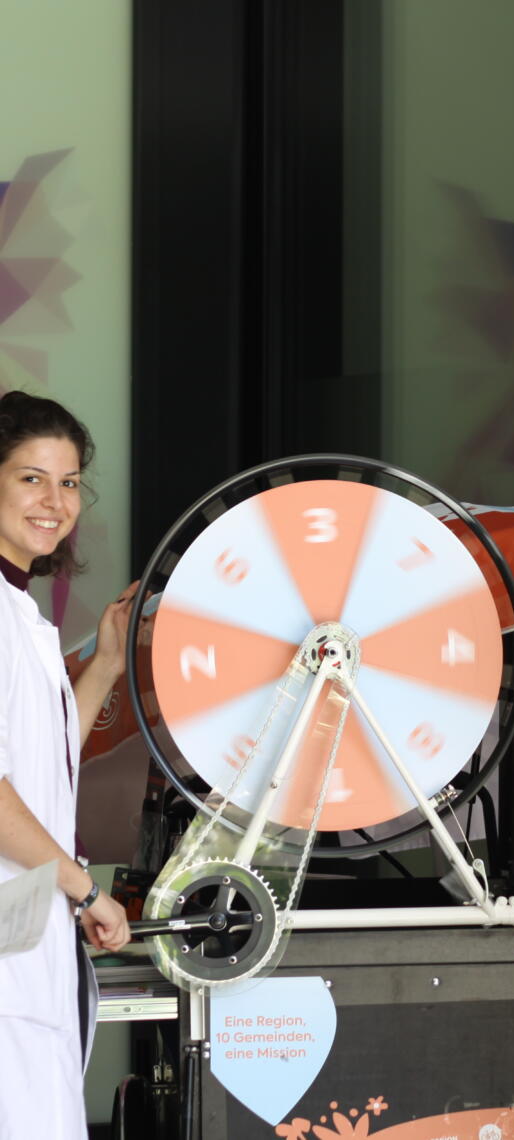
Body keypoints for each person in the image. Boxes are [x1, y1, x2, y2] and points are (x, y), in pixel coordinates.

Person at [0, 390, 134, 1138]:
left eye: (70, 481)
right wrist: (86, 893)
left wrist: (107, 667)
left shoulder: (24, 611)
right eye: (31, 478)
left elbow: (39, 755)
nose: (55, 501)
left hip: (29, 947)